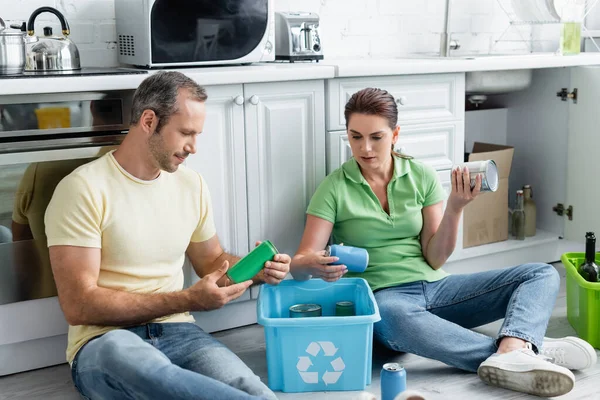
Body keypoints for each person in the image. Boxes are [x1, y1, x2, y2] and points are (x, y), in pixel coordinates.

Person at [290, 87, 597, 397]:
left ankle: (516, 350)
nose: (365, 148)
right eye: (356, 137)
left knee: (540, 273)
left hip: (437, 288)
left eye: (376, 137)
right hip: (385, 298)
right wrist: (313, 264)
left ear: (395, 135)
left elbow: (435, 258)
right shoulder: (334, 187)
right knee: (391, 316)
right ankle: (525, 351)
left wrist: (455, 207)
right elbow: (300, 263)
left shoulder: (420, 175)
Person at [44, 71, 290, 400]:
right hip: (106, 340)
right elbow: (79, 306)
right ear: (149, 121)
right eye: (186, 133)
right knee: (163, 378)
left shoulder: (191, 185)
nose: (194, 147)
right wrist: (187, 300)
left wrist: (257, 269)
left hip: (179, 332)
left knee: (253, 391)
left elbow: (213, 262)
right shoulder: (83, 189)